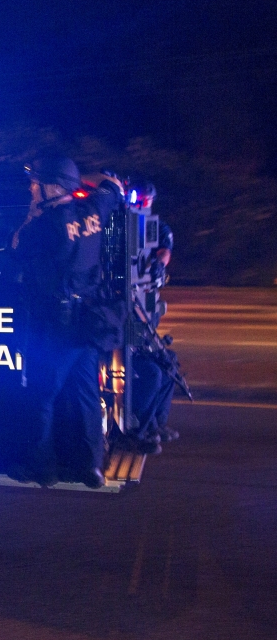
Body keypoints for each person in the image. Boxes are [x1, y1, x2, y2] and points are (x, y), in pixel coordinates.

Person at [10, 157, 125, 488]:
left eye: (37, 183)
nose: (32, 188)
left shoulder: (42, 227)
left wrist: (31, 212)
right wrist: (83, 184)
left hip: (55, 327)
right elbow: (112, 185)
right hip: (87, 322)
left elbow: (14, 245)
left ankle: (40, 467)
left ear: (54, 187)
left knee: (42, 394)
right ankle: (91, 467)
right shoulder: (95, 209)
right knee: (85, 393)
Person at [128, 181, 179, 452]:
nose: (141, 204)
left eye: (146, 200)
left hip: (145, 309)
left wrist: (159, 264)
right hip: (128, 314)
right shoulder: (119, 226)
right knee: (151, 374)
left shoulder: (154, 228)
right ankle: (139, 427)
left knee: (169, 363)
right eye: (138, 199)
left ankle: (157, 423)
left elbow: (165, 249)